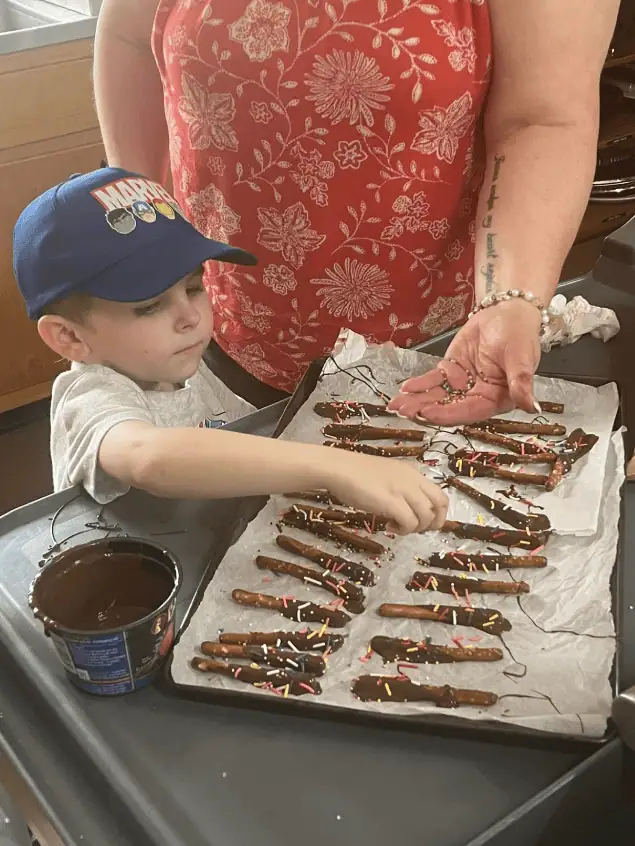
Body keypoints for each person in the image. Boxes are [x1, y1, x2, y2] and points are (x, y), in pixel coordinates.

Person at [94, 0, 619, 416]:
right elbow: (129, 35)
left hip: (433, 352)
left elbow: (540, 119)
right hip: (214, 330)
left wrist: (509, 298)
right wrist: (141, 224)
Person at [12, 167, 448, 534]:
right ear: (71, 338)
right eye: (148, 306)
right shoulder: (92, 396)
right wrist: (333, 467)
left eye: (193, 286)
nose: (190, 316)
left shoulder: (168, 352)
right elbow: (149, 458)